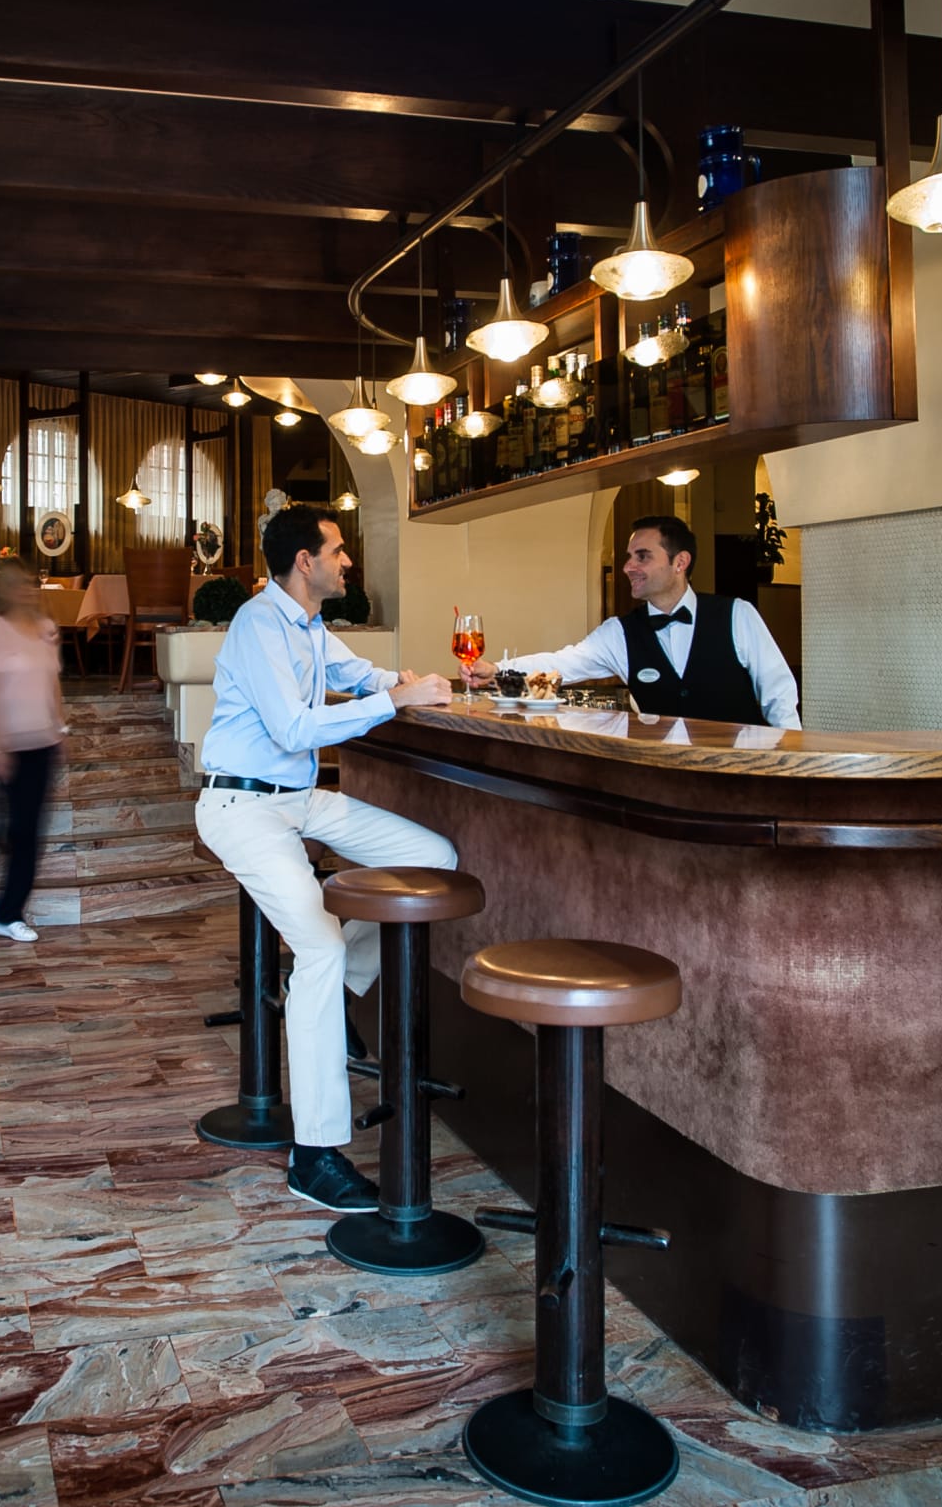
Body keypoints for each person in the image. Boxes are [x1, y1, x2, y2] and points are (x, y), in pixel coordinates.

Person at [196, 504, 456, 1213]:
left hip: (302, 800)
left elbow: (358, 672)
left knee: (433, 856)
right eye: (338, 550)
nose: (348, 561)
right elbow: (292, 728)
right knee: (320, 947)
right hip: (243, 806)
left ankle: (332, 991)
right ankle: (313, 1157)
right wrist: (395, 700)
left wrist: (406, 683)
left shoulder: (310, 625)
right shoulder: (258, 622)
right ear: (304, 561)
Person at [469, 513, 800, 728]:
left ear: (680, 562)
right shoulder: (620, 632)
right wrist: (497, 669)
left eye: (643, 557)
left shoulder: (737, 615)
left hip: (741, 776)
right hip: (663, 780)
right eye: (629, 557)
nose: (628, 567)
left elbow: (779, 694)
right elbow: (562, 663)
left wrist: (790, 765)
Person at [0, 562, 66, 942]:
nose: (28, 589)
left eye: (31, 583)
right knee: (3, 825)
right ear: (5, 590)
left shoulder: (46, 629)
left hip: (42, 743)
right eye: (19, 584)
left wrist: (61, 727)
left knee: (28, 832)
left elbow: (53, 683)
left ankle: (7, 916)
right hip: (2, 745)